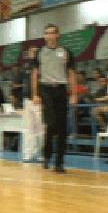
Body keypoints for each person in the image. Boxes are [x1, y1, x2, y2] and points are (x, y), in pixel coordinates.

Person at [31, 23, 77, 172]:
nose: (49, 36)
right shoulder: (39, 52)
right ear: (44, 36)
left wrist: (74, 93)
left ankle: (59, 163)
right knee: (50, 124)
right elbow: (35, 74)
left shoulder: (66, 52)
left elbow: (71, 74)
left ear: (57, 35)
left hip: (61, 90)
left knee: (62, 127)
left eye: (52, 33)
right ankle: (47, 155)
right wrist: (35, 94)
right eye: (46, 33)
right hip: (46, 89)